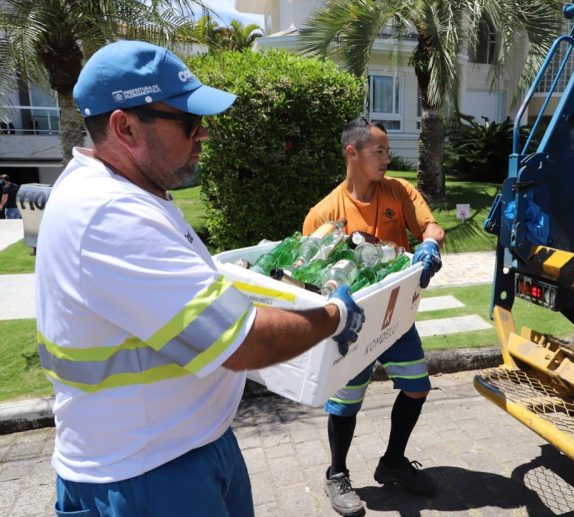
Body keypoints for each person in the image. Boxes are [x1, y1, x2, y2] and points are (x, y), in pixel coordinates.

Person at [35, 40, 365, 517]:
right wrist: (334, 316)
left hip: (183, 449)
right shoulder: (108, 213)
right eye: (189, 123)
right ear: (124, 127)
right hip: (145, 477)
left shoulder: (132, 191)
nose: (204, 135)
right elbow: (243, 343)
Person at [303, 118, 445, 516]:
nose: (387, 158)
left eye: (386, 151)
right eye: (378, 151)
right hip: (354, 323)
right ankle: (337, 474)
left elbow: (430, 225)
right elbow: (310, 276)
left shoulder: (398, 190)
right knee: (345, 403)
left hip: (397, 314)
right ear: (353, 152)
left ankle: (393, 463)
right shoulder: (324, 213)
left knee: (417, 387)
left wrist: (430, 245)